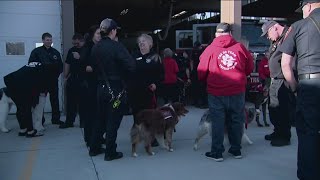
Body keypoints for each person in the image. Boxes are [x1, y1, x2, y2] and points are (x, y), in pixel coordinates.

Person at [198, 22, 254, 161]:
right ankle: (236, 150)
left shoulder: (210, 49)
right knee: (237, 120)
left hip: (216, 92)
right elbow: (250, 67)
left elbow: (201, 72)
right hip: (237, 90)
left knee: (217, 121)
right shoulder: (240, 47)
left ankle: (217, 153)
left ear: (216, 34)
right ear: (230, 33)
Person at [280, 1, 320, 179]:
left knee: (308, 132)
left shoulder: (299, 26)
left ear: (309, 6)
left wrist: (295, 87)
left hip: (310, 86)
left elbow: (286, 63)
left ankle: (308, 175)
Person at [89, 18, 135, 161]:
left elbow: (94, 67)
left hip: (100, 88)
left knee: (100, 119)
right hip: (115, 88)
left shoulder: (95, 47)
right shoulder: (117, 46)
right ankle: (110, 152)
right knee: (113, 121)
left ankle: (94, 148)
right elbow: (131, 66)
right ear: (113, 31)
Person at [260, 20, 294, 146]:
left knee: (283, 110)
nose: (268, 37)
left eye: (267, 33)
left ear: (274, 28)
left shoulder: (288, 36)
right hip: (275, 79)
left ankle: (284, 136)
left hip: (283, 80)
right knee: (273, 108)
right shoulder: (276, 40)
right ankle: (277, 131)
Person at [128, 33, 164, 147]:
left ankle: (151, 138)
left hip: (149, 93)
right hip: (135, 91)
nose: (141, 43)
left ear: (150, 44)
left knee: (150, 116)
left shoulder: (155, 57)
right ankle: (136, 136)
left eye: (144, 41)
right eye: (139, 42)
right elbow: (128, 72)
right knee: (137, 115)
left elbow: (161, 74)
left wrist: (156, 84)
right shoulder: (133, 56)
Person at [28, 32, 63, 125]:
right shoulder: (36, 52)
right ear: (43, 40)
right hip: (41, 82)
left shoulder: (55, 52)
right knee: (40, 102)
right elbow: (31, 65)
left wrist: (56, 75)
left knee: (55, 100)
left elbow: (60, 66)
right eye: (47, 40)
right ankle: (41, 120)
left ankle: (56, 119)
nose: (49, 41)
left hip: (53, 81)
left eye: (50, 40)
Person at [80, 25, 101, 146]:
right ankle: (90, 138)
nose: (99, 36)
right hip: (89, 86)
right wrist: (88, 67)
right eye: (98, 33)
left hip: (98, 84)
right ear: (93, 35)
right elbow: (83, 65)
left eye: (100, 34)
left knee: (98, 113)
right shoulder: (88, 47)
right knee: (91, 114)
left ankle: (96, 136)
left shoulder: (99, 46)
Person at [59, 34, 85, 129]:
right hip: (72, 78)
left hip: (83, 79)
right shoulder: (71, 50)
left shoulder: (86, 50)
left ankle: (84, 122)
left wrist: (80, 57)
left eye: (77, 43)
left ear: (82, 41)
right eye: (74, 43)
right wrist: (65, 75)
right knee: (70, 102)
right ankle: (69, 121)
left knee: (83, 103)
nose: (76, 45)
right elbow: (67, 63)